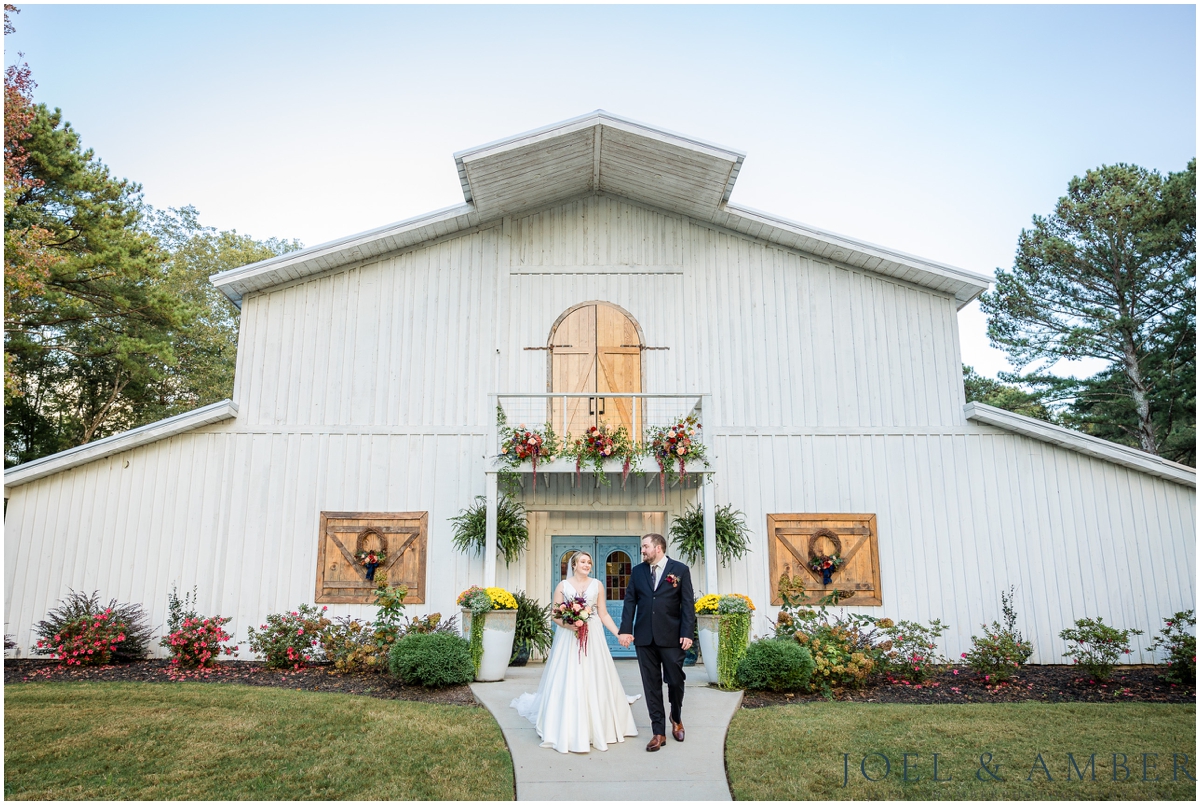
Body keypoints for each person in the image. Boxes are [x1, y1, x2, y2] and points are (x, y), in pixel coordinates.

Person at [510, 551, 640, 753]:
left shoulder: (597, 584)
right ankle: (568, 726)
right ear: (574, 565)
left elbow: (603, 614)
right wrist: (568, 625)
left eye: (589, 562)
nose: (587, 564)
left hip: (593, 636)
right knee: (570, 676)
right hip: (569, 638)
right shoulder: (563, 586)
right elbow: (555, 614)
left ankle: (599, 725)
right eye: (583, 561)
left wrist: (619, 634)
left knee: (595, 676)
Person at [618, 532, 696, 752]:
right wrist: (625, 630)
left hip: (672, 637)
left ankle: (676, 716)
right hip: (644, 638)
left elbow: (687, 604)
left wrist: (687, 632)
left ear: (658, 548)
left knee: (675, 681)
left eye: (645, 546)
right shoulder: (637, 572)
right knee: (651, 685)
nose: (642, 550)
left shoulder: (680, 570)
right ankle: (658, 732)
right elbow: (630, 602)